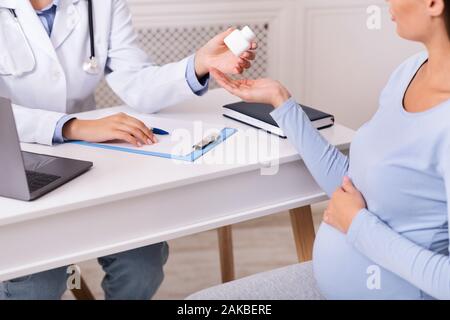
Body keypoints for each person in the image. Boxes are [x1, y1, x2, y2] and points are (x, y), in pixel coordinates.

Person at [189, 0, 450, 300]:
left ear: (433, 4)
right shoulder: (411, 71)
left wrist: (357, 226)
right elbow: (350, 188)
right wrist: (281, 101)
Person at [0, 0, 256, 300]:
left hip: (83, 163)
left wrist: (199, 63)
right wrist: (71, 126)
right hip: (11, 164)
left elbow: (137, 82)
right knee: (38, 283)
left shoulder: (102, 4)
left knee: (143, 262)